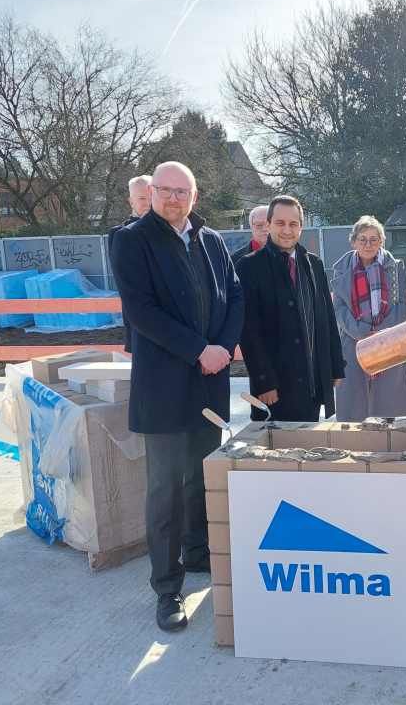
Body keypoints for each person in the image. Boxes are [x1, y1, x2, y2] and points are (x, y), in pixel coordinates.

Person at [109, 161, 244, 633]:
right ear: (151, 193)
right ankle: (167, 588)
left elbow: (234, 294)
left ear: (194, 194)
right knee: (165, 489)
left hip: (209, 381)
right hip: (165, 384)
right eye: (163, 190)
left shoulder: (210, 241)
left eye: (180, 191)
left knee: (202, 478)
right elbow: (141, 310)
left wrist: (224, 348)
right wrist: (198, 350)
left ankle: (200, 552)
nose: (171, 198)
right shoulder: (132, 240)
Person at [236, 194, 344, 421]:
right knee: (275, 453)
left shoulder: (314, 264)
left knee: (309, 450)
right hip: (274, 388)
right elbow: (248, 330)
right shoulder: (249, 266)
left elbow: (327, 317)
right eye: (280, 223)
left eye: (293, 224)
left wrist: (335, 365)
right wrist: (263, 380)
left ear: (301, 227)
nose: (287, 230)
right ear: (268, 225)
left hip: (313, 381)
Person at [331, 215, 406, 421]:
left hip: (388, 340)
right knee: (353, 402)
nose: (368, 244)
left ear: (381, 241)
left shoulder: (395, 267)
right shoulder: (340, 269)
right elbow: (339, 307)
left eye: (374, 239)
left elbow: (402, 304)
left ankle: (385, 442)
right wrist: (361, 332)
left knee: (387, 402)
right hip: (353, 340)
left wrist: (382, 334)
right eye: (362, 239)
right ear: (353, 241)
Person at [109, 175, 153, 352]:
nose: (148, 203)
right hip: (141, 322)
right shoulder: (121, 235)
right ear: (131, 201)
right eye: (142, 198)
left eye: (151, 197)